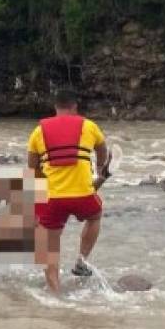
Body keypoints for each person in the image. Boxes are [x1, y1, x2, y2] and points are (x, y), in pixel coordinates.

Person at [27, 90, 108, 292]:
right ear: (75, 107)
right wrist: (99, 169)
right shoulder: (89, 126)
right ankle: (81, 261)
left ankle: (54, 291)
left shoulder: (38, 131)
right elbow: (102, 148)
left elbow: (32, 167)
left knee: (48, 244)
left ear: (55, 108)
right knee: (95, 215)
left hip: (53, 198)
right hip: (83, 195)